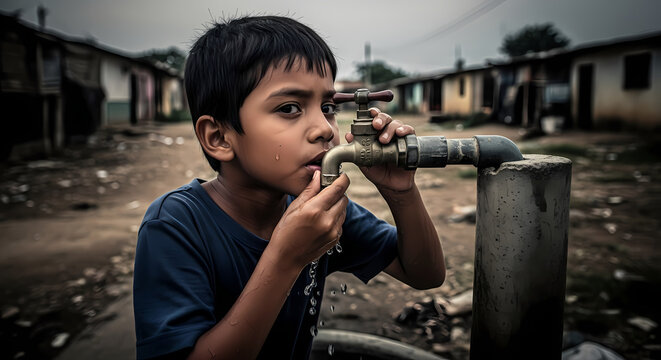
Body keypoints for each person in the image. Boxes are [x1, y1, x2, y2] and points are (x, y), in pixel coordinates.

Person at [133, 15, 446, 360]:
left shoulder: (321, 211)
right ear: (219, 137)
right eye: (290, 108)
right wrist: (286, 259)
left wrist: (401, 193)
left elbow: (425, 274)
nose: (324, 129)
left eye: (327, 107)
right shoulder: (176, 224)